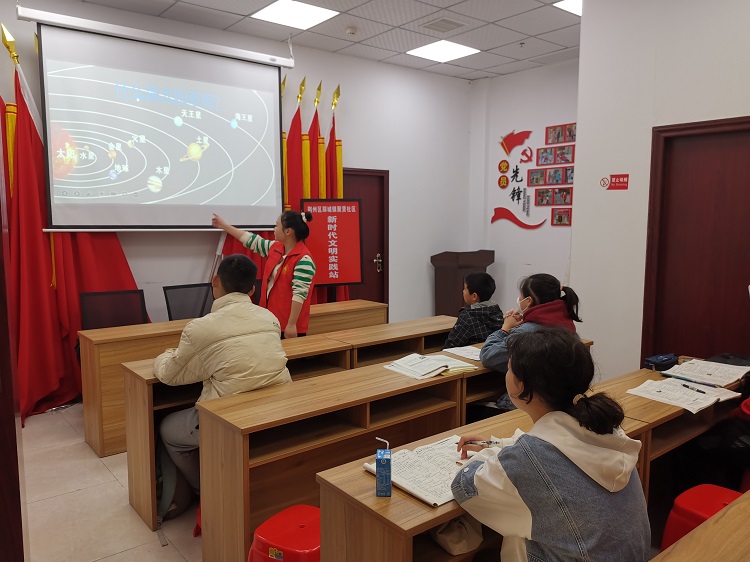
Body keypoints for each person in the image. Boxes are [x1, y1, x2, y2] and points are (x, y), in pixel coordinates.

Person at [452, 328, 651, 562]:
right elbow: (557, 445)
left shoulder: (528, 459)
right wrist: (499, 444)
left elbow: (465, 487)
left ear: (522, 387)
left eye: (509, 367)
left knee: (506, 540)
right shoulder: (606, 427)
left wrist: (493, 455)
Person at [155, 254, 291, 491]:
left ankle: (205, 491)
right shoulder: (269, 317)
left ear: (215, 280)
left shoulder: (200, 328)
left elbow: (169, 375)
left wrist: (165, 355)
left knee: (167, 428)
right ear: (252, 290)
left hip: (231, 420)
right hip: (278, 410)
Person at [480, 273, 582, 411]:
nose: (519, 299)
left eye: (520, 296)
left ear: (528, 301)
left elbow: (488, 356)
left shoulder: (526, 332)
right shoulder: (568, 328)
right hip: (557, 403)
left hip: (523, 405)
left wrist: (505, 328)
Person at [212, 211, 316, 338]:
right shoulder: (276, 248)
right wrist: (224, 226)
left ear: (288, 231)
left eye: (276, 225)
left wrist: (291, 324)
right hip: (270, 320)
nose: (274, 229)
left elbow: (299, 295)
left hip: (288, 327)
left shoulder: (303, 259)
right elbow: (251, 240)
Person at [443, 272, 503, 349]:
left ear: (474, 296)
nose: (463, 291)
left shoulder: (468, 316)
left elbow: (451, 345)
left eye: (465, 289)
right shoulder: (497, 311)